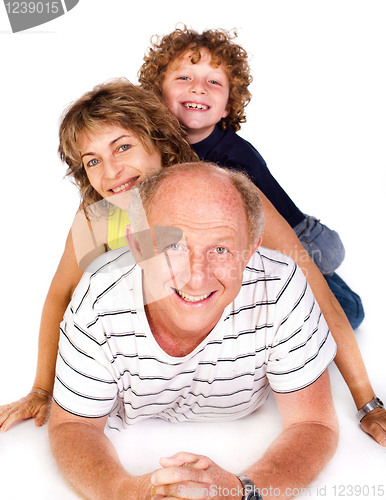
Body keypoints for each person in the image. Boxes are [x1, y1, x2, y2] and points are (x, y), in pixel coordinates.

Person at [1, 79, 384, 448]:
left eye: (122, 148)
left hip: (260, 284)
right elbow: (60, 297)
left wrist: (368, 405)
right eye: (92, 161)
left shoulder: (223, 195)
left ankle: (329, 263)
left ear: (160, 142)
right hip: (196, 303)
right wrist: (42, 389)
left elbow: (310, 287)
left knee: (341, 306)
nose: (111, 172)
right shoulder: (97, 218)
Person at [49, 162, 339, 500]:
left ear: (250, 250)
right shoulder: (98, 298)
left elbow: (314, 424)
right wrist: (126, 492)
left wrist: (243, 492)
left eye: (220, 249)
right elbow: (74, 425)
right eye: (173, 246)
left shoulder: (281, 286)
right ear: (138, 247)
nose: (196, 278)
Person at [138, 26, 363, 331]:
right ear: (158, 94)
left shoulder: (231, 157)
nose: (199, 87)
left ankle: (335, 284)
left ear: (227, 106)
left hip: (299, 238)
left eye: (214, 82)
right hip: (254, 240)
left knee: (346, 312)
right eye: (184, 78)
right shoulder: (160, 147)